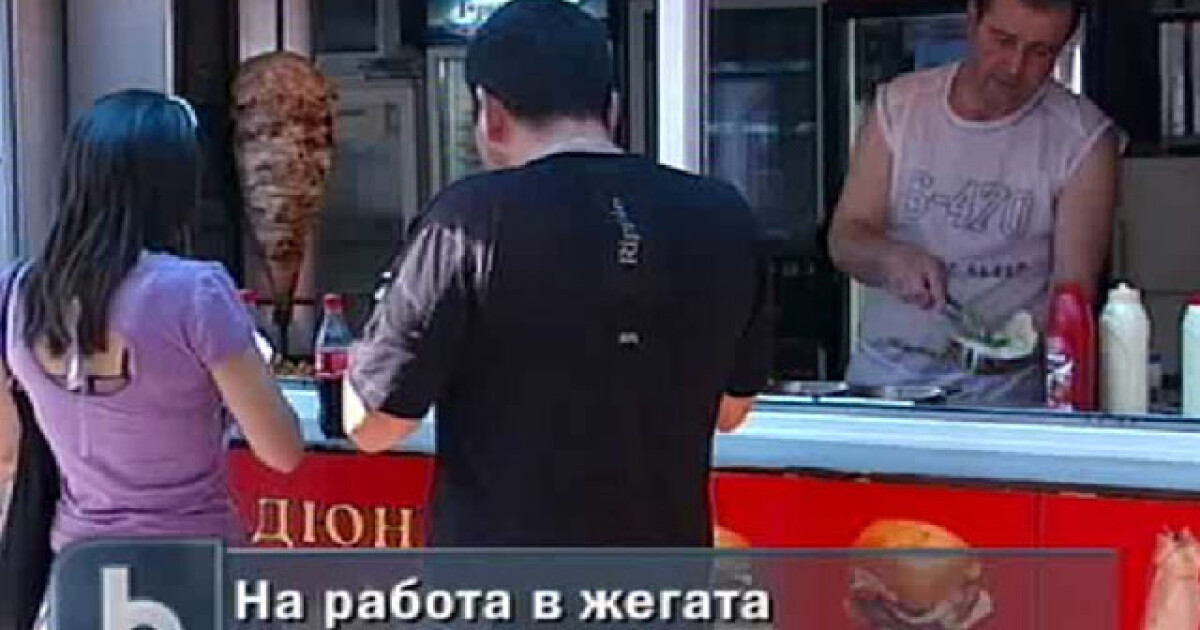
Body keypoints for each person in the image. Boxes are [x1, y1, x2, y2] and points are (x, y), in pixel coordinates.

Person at [343, 0, 772, 547]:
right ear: (612, 109)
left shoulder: (470, 220)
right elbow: (731, 411)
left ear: (490, 113)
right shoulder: (722, 214)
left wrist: (356, 364)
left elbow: (375, 424)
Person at [0, 90, 304, 555]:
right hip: (193, 561)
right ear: (177, 187)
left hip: (79, 564)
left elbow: (6, 453)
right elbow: (282, 451)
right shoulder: (196, 293)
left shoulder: (15, 294)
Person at [828, 0, 1121, 406]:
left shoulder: (1083, 139)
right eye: (1002, 40)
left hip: (1007, 400)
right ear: (972, 19)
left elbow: (1071, 301)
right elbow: (845, 240)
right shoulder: (900, 107)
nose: (1014, 68)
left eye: (1040, 52)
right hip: (887, 384)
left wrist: (1015, 345)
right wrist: (890, 258)